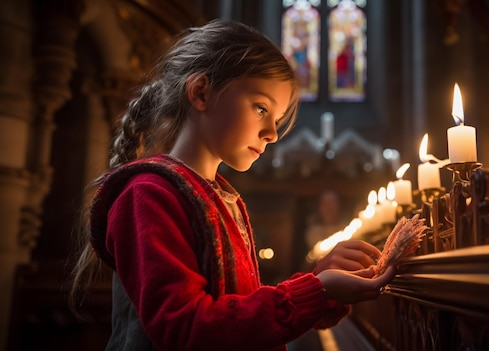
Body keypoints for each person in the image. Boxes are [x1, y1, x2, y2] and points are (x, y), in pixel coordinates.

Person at [68, 19, 395, 351]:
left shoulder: (220, 197)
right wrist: (318, 291)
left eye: (277, 120)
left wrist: (318, 281)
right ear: (201, 93)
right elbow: (187, 329)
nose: (272, 133)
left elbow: (237, 311)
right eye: (261, 108)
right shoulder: (148, 194)